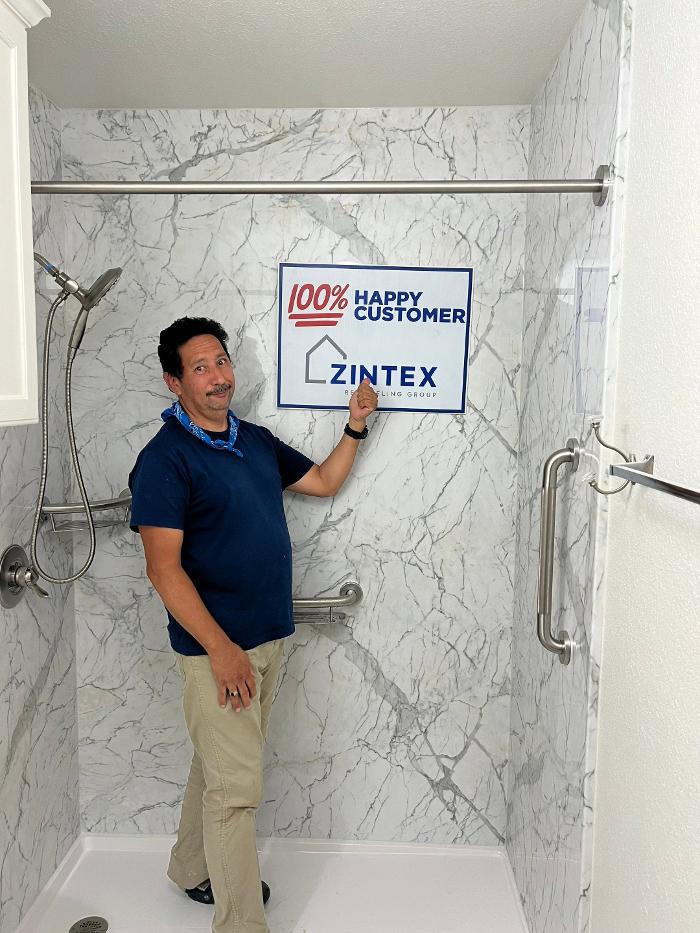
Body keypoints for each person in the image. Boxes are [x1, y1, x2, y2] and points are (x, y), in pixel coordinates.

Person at [128, 316, 377, 933]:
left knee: (219, 764)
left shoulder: (254, 441)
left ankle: (191, 867)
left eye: (221, 361)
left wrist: (355, 426)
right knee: (235, 792)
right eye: (200, 368)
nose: (217, 376)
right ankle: (241, 923)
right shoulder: (164, 460)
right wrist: (222, 650)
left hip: (267, 640)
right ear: (174, 382)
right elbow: (163, 569)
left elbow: (322, 481)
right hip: (219, 652)